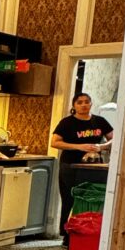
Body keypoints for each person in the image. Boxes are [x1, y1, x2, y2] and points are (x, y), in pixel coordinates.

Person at [51, 92, 113, 237]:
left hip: (94, 166)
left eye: (87, 102)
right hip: (70, 165)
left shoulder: (100, 121)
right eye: (79, 102)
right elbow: (55, 142)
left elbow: (115, 138)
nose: (84, 105)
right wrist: (79, 147)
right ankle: (66, 233)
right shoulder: (67, 122)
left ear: (91, 104)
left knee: (90, 197)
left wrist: (102, 146)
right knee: (70, 198)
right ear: (74, 105)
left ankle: (88, 231)